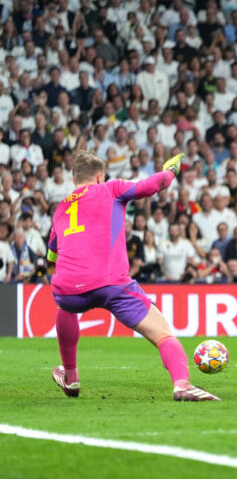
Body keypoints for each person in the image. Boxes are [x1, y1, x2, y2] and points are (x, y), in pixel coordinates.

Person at [47, 151, 219, 402]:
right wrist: (170, 171)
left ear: (74, 181)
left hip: (66, 288)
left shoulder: (61, 208)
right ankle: (182, 384)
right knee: (163, 334)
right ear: (99, 176)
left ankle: (71, 377)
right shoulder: (110, 189)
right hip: (111, 284)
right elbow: (154, 185)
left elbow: (51, 256)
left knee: (64, 305)